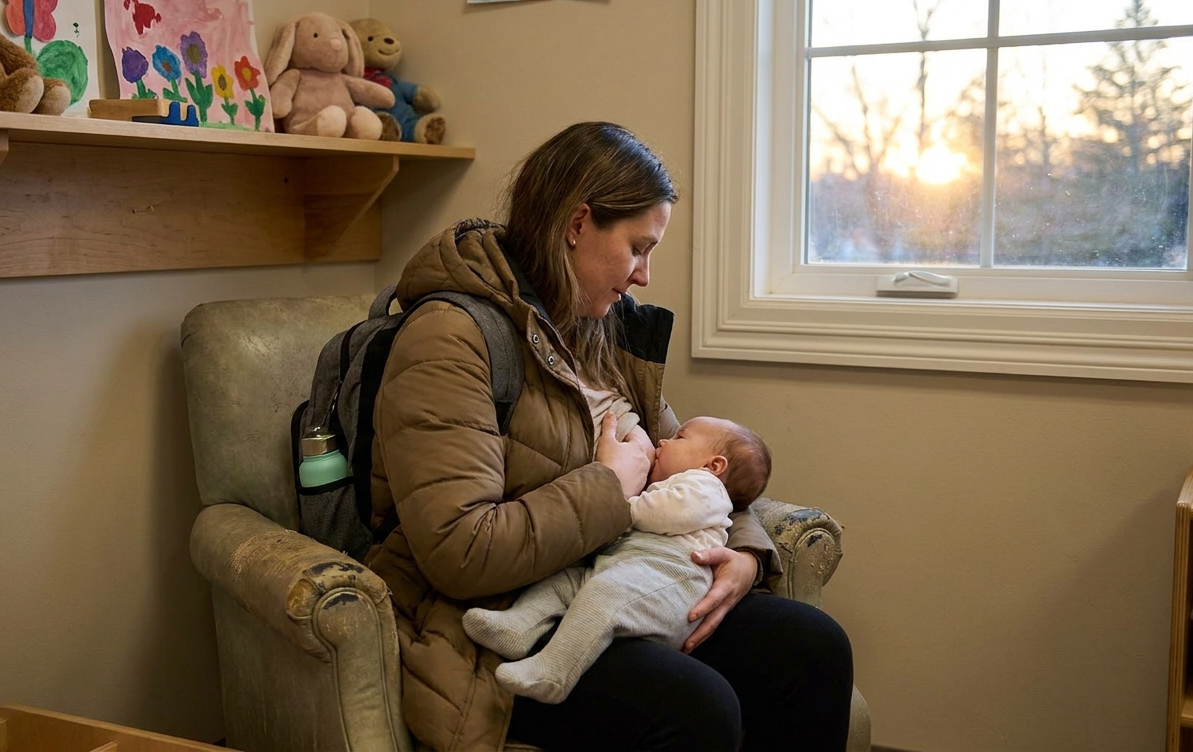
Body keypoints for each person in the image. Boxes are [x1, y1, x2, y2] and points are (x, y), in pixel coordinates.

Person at [363, 121, 853, 752]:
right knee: (698, 707)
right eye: (638, 248)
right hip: (502, 618)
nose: (645, 276)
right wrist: (609, 488)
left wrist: (746, 556)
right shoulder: (450, 338)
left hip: (625, 580)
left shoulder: (600, 330)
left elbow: (700, 458)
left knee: (813, 648)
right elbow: (460, 552)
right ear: (577, 223)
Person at [462, 416, 771, 705]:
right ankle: (517, 627)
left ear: (714, 465)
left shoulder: (705, 487)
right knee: (566, 582)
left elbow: (669, 512)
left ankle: (553, 672)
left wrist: (620, 505)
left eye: (678, 437)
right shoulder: (687, 480)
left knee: (604, 595)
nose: (662, 441)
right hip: (629, 567)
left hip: (671, 578)